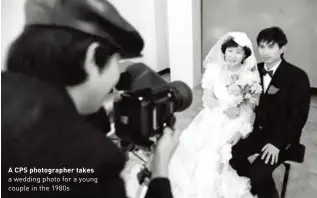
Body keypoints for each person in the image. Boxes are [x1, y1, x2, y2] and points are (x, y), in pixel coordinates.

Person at [2, 1, 178, 198]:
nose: (118, 75)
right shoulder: (91, 162)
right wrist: (160, 169)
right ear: (92, 56)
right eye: (117, 61)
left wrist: (100, 115)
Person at [123, 32, 262, 198]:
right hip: (212, 115)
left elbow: (250, 107)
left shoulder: (249, 77)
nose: (233, 56)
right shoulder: (214, 69)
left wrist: (241, 129)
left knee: (216, 156)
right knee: (193, 149)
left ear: (245, 54)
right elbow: (207, 98)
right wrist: (225, 109)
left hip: (234, 122)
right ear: (224, 51)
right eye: (230, 51)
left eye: (239, 52)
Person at [230, 27, 311, 198]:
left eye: (270, 46)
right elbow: (247, 105)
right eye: (261, 46)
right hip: (258, 131)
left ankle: (267, 192)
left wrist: (277, 143)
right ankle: (254, 187)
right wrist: (240, 128)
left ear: (282, 48)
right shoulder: (253, 71)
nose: (264, 52)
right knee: (230, 154)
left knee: (259, 172)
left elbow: (298, 117)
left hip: (283, 137)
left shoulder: (298, 76)